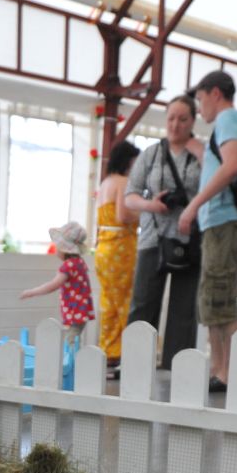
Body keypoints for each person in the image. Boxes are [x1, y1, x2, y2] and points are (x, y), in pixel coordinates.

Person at [178, 69, 237, 393]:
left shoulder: (228, 120)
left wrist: (194, 204)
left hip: (225, 221)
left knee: (219, 295)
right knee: (214, 297)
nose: (200, 109)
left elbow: (232, 165)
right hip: (220, 223)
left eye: (200, 99)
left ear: (215, 93)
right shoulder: (228, 123)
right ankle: (219, 368)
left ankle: (228, 372)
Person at [122, 95, 204, 373]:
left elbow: (220, 187)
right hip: (152, 239)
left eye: (183, 119)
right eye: (171, 118)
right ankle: (135, 365)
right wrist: (151, 204)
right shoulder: (151, 154)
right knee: (142, 305)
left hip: (190, 241)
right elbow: (129, 196)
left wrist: (202, 153)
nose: (175, 125)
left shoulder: (202, 154)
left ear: (193, 121)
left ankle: (177, 371)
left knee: (184, 311)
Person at [92, 141, 140, 365]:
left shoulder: (105, 183)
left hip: (103, 248)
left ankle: (110, 350)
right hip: (120, 247)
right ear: (129, 161)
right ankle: (131, 350)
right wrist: (144, 214)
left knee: (109, 301)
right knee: (125, 300)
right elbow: (123, 215)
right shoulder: (124, 182)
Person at [19, 222, 94, 350]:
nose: (55, 249)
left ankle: (72, 365)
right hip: (80, 311)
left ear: (65, 249)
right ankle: (73, 361)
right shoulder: (79, 262)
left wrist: (32, 292)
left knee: (71, 342)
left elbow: (53, 285)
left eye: (57, 246)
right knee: (73, 338)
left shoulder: (69, 265)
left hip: (75, 312)